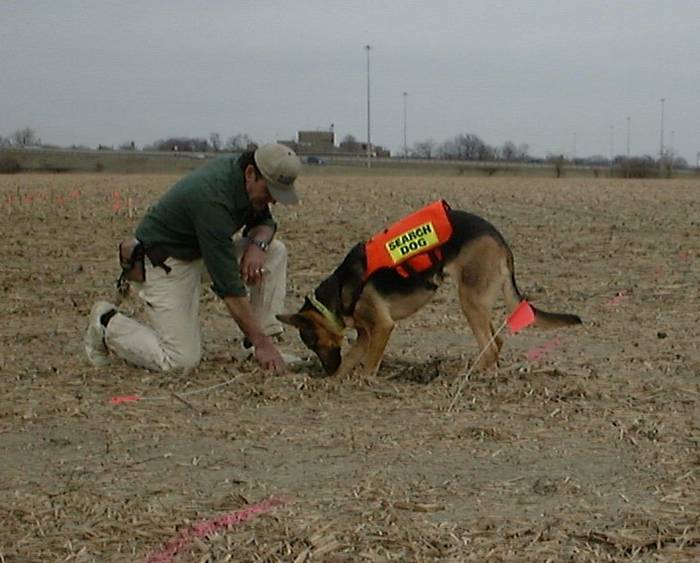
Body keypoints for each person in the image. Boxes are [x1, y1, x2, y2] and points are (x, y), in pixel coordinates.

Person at [84, 143, 302, 374]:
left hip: (199, 253)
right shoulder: (213, 199)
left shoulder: (247, 184)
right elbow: (229, 287)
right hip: (166, 264)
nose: (274, 201)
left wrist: (258, 245)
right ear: (250, 173)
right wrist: (263, 344)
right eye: (270, 192)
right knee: (180, 361)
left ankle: (255, 347)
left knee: (274, 251)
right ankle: (106, 322)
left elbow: (265, 222)